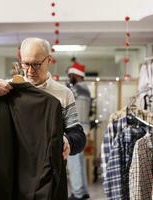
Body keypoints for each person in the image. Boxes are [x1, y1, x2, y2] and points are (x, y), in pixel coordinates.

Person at [0, 37, 86, 162]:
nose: (30, 70)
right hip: (11, 169)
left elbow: (78, 136)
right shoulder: (5, 89)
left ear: (49, 60)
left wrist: (67, 141)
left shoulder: (63, 94)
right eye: (26, 64)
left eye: (36, 64)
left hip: (47, 171)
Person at [66, 57, 91, 200]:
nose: (70, 78)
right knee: (79, 161)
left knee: (73, 162)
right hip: (83, 129)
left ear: (76, 75)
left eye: (71, 76)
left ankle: (77, 193)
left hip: (75, 130)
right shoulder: (85, 89)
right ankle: (84, 191)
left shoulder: (76, 89)